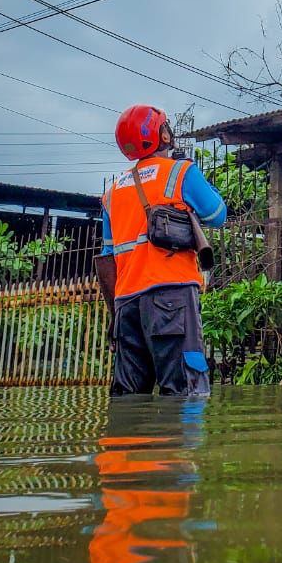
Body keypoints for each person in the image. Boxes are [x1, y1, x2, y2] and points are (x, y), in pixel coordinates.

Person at [101, 104, 227, 396]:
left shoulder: (112, 193)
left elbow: (109, 255)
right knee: (187, 390)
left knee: (128, 396)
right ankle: (181, 444)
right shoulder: (181, 172)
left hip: (126, 307)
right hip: (172, 299)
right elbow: (218, 215)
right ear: (164, 136)